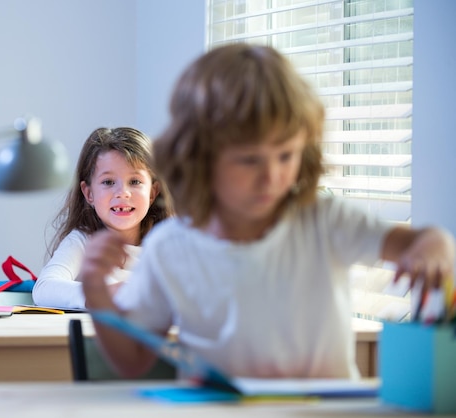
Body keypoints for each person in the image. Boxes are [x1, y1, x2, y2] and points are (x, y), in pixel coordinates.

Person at [80, 43, 456, 380]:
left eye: (286, 155)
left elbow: (423, 240)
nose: (272, 176)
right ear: (199, 158)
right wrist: (96, 289)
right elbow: (133, 360)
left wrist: (434, 248)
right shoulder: (170, 247)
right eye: (249, 160)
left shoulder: (323, 219)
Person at [32, 127, 172, 309]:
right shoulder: (82, 241)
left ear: (152, 193)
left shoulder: (167, 245)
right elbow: (43, 289)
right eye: (108, 182)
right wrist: (103, 294)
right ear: (89, 193)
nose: (123, 193)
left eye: (135, 182)